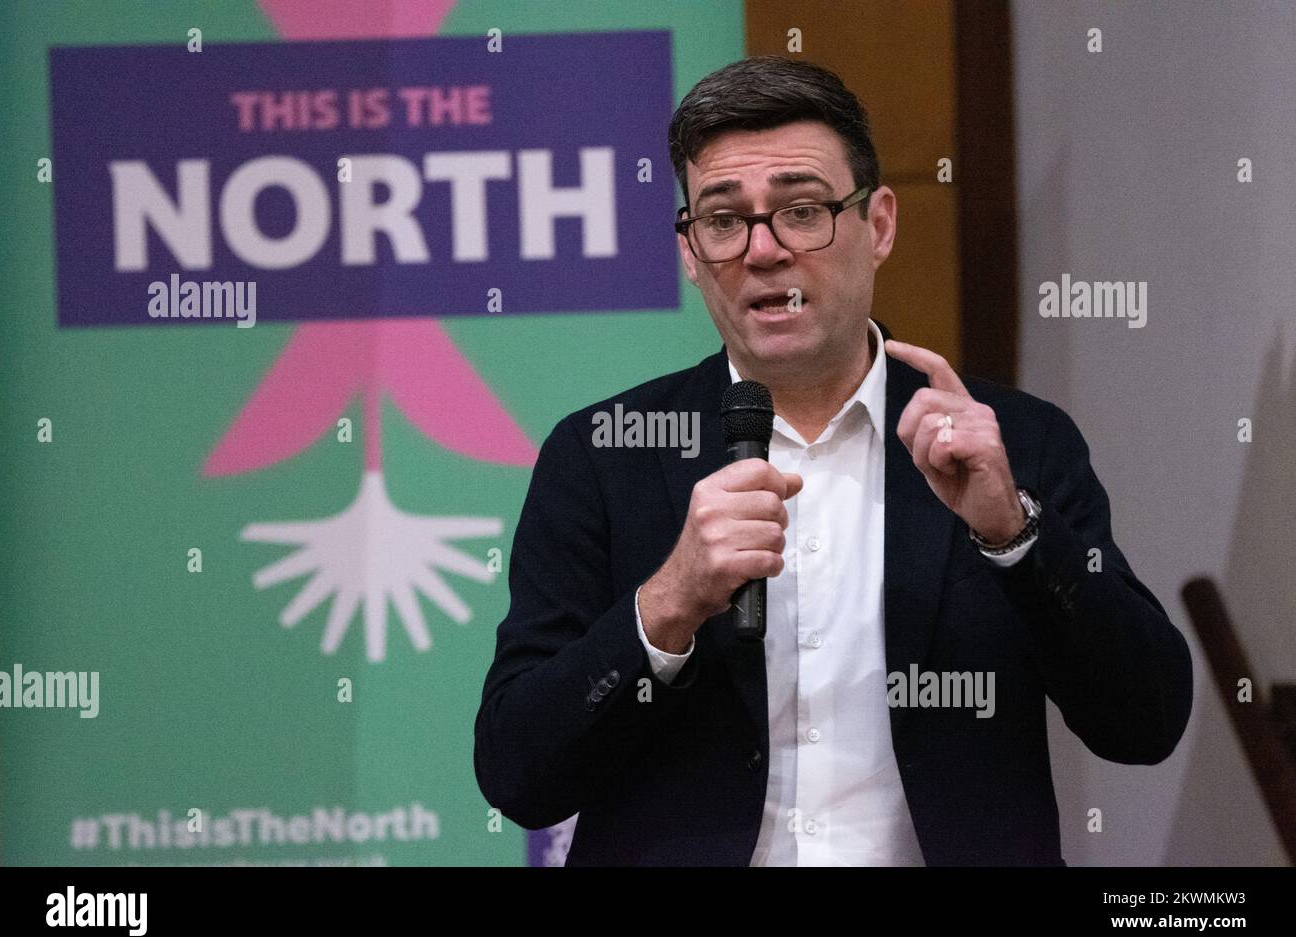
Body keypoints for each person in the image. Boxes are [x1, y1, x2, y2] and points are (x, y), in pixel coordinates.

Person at [473, 56, 1192, 866]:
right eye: (723, 220)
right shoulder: (602, 456)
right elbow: (517, 772)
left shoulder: (1013, 443)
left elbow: (1146, 722)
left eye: (802, 211)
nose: (764, 250)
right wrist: (667, 604)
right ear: (688, 250)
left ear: (878, 224)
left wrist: (1014, 535)